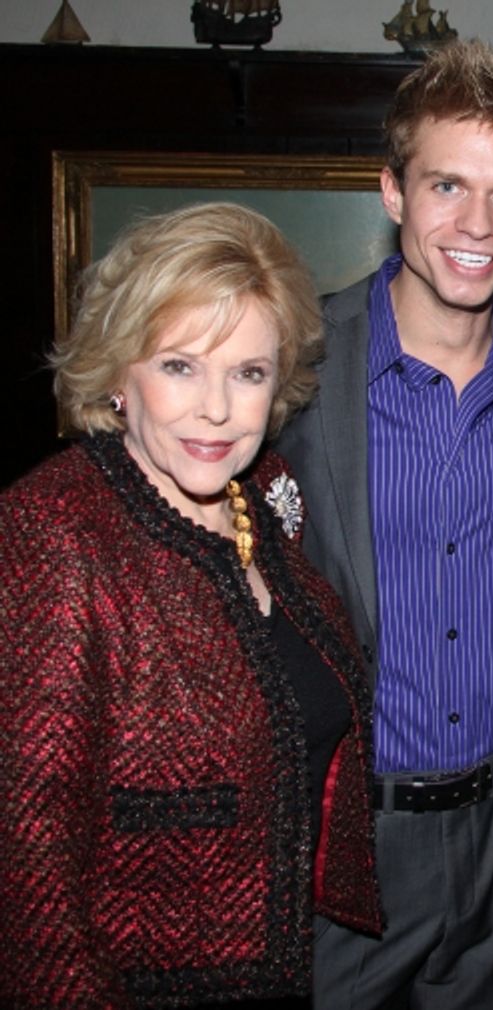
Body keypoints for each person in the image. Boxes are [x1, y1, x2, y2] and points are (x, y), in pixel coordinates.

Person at [275, 40, 493, 1010]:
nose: (476, 224)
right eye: (447, 185)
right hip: (345, 847)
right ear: (394, 191)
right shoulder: (296, 363)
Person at [0, 202, 381, 1008]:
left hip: (289, 971)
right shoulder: (55, 530)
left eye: (249, 373)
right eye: (179, 366)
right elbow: (28, 857)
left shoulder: (268, 498)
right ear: (117, 375)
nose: (217, 408)